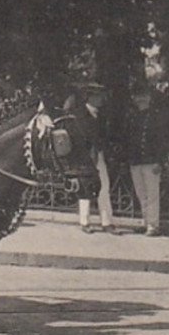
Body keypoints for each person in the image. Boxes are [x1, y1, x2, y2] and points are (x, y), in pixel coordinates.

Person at [64, 83, 117, 234]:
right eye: (98, 96)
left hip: (98, 155)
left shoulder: (100, 115)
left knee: (104, 187)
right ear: (90, 98)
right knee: (86, 187)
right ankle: (85, 222)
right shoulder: (80, 116)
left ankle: (107, 222)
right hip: (84, 157)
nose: (101, 100)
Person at [127, 82, 168, 236]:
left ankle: (153, 225)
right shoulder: (132, 117)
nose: (141, 99)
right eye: (138, 96)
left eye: (144, 96)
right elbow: (129, 140)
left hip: (151, 161)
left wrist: (160, 160)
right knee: (141, 194)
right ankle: (146, 222)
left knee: (152, 194)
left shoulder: (156, 117)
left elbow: (162, 140)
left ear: (150, 98)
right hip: (136, 161)